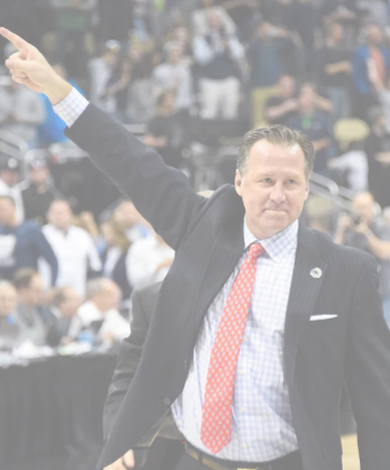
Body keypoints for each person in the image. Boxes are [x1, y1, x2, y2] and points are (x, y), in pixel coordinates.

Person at [4, 28, 390, 470]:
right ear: (240, 183)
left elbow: (377, 402)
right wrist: (57, 90)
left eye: (291, 183)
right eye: (266, 181)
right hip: (186, 459)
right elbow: (131, 161)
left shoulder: (347, 271)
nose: (278, 195)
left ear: (307, 189)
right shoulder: (204, 227)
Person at [334, 191, 390, 326]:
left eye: (366, 207)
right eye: (359, 207)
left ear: (373, 208)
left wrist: (366, 231)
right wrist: (340, 231)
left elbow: (385, 253)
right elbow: (333, 257)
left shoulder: (382, 226)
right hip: (356, 297)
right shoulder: (348, 230)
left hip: (383, 295)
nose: (363, 211)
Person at [41, 199, 102, 296]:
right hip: (50, 293)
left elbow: (95, 266)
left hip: (78, 294)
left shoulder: (82, 235)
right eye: (55, 212)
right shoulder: (41, 235)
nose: (58, 216)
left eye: (62, 212)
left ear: (71, 214)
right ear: (48, 215)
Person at [0, 195, 58, 284]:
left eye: (2, 209)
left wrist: (53, 286)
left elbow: (52, 260)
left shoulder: (31, 230)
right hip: (5, 287)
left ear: (13, 207)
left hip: (27, 286)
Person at [70, 278, 130, 346]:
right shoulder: (84, 312)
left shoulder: (112, 312)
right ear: (97, 296)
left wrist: (114, 336)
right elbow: (84, 336)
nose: (115, 300)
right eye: (110, 295)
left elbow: (127, 332)